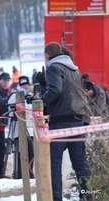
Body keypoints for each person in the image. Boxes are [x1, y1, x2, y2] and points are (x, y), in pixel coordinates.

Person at [39, 42, 92, 201]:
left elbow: (56, 90)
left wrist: (40, 101)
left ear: (47, 56)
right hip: (77, 119)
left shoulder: (53, 67)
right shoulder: (74, 67)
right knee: (79, 161)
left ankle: (56, 197)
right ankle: (87, 196)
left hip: (61, 120)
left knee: (54, 162)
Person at [7, 76, 34, 179]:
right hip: (18, 129)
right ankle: (19, 173)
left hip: (30, 128)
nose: (26, 87)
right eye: (24, 85)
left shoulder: (30, 95)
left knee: (31, 152)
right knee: (20, 152)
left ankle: (29, 173)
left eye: (27, 84)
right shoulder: (14, 96)